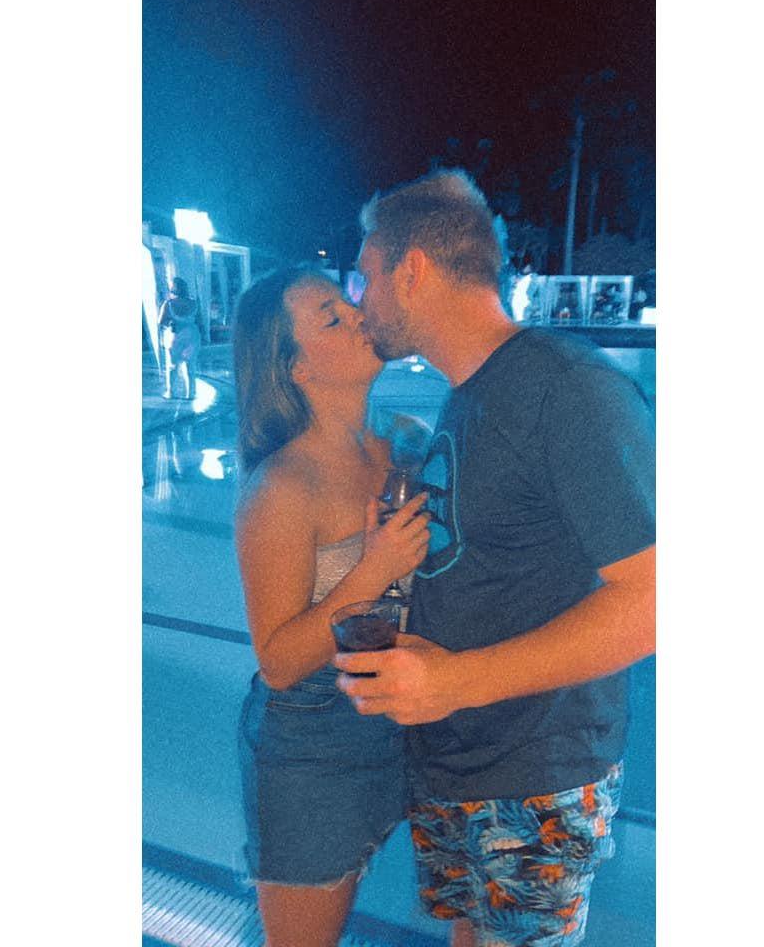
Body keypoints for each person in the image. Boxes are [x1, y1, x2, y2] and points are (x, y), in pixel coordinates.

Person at [335, 169, 656, 947]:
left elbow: (653, 599)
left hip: (536, 773)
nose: (359, 300)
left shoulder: (567, 388)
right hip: (455, 758)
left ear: (412, 271)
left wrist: (453, 681)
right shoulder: (469, 392)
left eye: (366, 276)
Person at [232, 266, 432, 947]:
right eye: (331, 318)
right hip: (311, 744)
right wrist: (373, 570)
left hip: (406, 717)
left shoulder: (402, 448)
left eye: (347, 304)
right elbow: (280, 661)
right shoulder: (283, 486)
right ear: (297, 368)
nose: (357, 316)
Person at [158, 276, 201, 399]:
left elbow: (161, 322)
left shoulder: (169, 304)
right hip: (192, 335)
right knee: (190, 366)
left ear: (173, 288)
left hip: (175, 336)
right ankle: (191, 393)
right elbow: (199, 320)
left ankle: (171, 392)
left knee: (172, 366)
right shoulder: (194, 303)